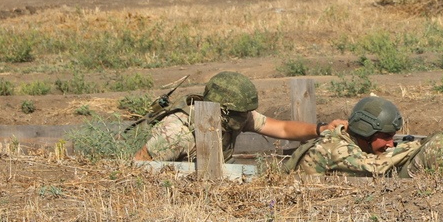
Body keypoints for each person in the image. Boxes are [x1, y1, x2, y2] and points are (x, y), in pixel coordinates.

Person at [133, 71, 322, 162]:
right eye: (241, 113)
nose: (246, 117)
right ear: (222, 111)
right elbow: (137, 171)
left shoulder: (236, 116)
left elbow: (281, 128)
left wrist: (320, 129)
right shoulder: (176, 134)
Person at [288, 96, 443, 178]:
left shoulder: (348, 140)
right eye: (386, 137)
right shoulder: (335, 147)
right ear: (365, 133)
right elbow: (376, 166)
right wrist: (418, 145)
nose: (390, 144)